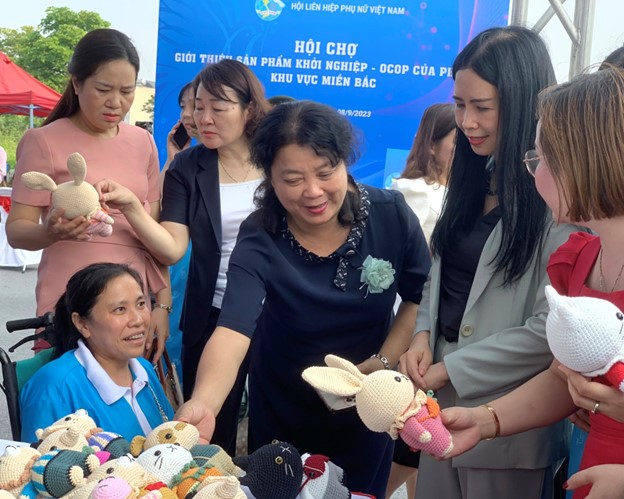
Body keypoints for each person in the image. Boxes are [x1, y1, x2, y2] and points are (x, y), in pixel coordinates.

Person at [160, 100, 432, 497]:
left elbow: (417, 298)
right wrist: (204, 402)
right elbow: (233, 330)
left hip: (367, 404)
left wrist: (384, 362)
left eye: (326, 172)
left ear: (345, 162)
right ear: (268, 176)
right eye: (292, 179)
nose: (313, 192)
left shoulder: (390, 215)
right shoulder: (261, 234)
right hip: (284, 407)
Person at [399, 26, 583, 499]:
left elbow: (552, 326)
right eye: (460, 105)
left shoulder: (560, 199)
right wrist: (422, 335)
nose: (467, 122)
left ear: (522, 103)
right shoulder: (471, 178)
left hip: (512, 428)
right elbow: (440, 277)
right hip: (438, 410)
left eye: (482, 107)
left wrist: (451, 367)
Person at [435, 67, 624, 499]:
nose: (533, 175)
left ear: (584, 161)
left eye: (538, 160)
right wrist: (485, 420)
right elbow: (564, 377)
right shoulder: (580, 259)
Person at [95, 59, 270, 455]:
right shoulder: (187, 168)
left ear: (248, 109)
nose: (202, 118)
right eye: (197, 106)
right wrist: (132, 207)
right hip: (214, 313)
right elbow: (172, 247)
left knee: (273, 423)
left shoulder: (277, 159)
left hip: (277, 312)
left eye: (218, 108)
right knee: (211, 426)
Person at [6, 28, 171, 361]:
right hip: (71, 296)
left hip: (132, 300)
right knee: (68, 385)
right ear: (77, 83)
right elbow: (16, 230)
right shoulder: (43, 141)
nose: (116, 102)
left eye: (127, 91)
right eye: (103, 89)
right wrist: (50, 232)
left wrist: (161, 305)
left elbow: (153, 236)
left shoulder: (143, 142)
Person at [20, 263, 174, 443]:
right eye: (120, 309)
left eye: (141, 304)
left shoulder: (144, 369)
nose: (138, 320)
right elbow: (40, 459)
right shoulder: (53, 388)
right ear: (82, 324)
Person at [390, 102, 455, 245]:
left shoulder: (462, 193)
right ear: (432, 145)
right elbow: (398, 246)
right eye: (456, 142)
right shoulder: (414, 189)